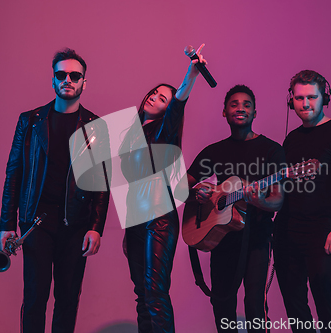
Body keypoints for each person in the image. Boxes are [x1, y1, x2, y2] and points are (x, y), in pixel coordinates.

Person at [0, 48, 110, 333]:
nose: (67, 80)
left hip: (76, 224)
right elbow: (14, 173)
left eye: (75, 75)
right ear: (53, 80)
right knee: (35, 298)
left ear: (84, 82)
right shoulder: (30, 120)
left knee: (68, 299)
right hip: (35, 223)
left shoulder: (96, 127)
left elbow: (101, 182)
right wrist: (6, 225)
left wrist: (96, 227)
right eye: (61, 75)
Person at [120, 44, 208, 333]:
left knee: (155, 294)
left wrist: (191, 75)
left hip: (158, 221)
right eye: (154, 93)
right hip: (135, 222)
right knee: (142, 297)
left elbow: (179, 102)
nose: (154, 98)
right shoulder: (132, 135)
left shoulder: (164, 131)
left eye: (162, 98)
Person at [187, 85, 285, 333]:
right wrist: (197, 192)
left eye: (247, 104)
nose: (240, 108)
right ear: (224, 112)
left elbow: (277, 200)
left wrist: (255, 200)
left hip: (257, 238)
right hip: (222, 239)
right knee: (222, 304)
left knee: (254, 303)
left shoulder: (271, 150)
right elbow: (181, 187)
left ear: (254, 113)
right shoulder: (214, 151)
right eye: (234, 104)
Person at [274, 70, 331, 333]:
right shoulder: (291, 139)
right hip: (286, 232)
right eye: (299, 98)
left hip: (321, 232)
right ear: (291, 100)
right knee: (294, 304)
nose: (305, 104)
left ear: (324, 97)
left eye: (312, 97)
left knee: (324, 301)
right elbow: (284, 187)